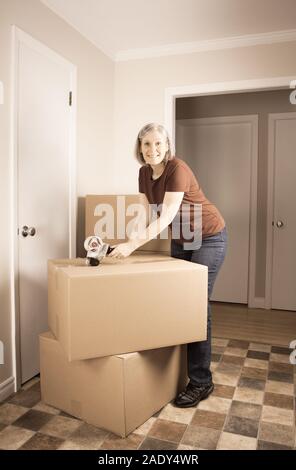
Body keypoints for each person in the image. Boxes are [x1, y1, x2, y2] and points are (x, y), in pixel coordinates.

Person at [109, 123, 227, 408]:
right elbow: (144, 215)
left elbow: (164, 219)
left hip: (209, 237)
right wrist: (125, 244)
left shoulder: (178, 170)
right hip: (183, 240)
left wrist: (130, 246)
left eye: (158, 143)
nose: (153, 150)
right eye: (147, 144)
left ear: (167, 145)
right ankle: (174, 371)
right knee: (175, 302)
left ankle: (201, 382)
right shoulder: (143, 173)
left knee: (197, 304)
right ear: (139, 147)